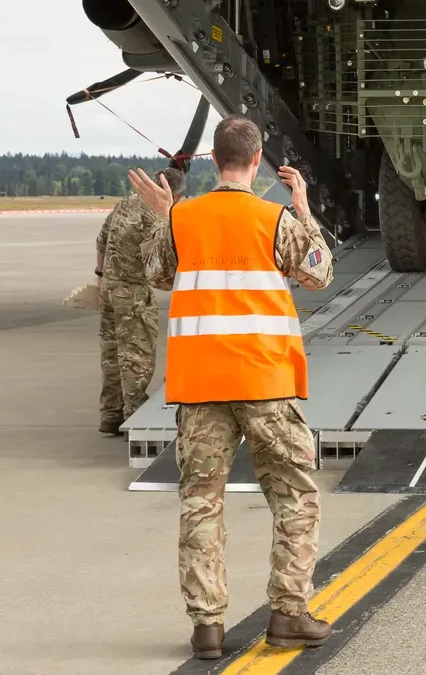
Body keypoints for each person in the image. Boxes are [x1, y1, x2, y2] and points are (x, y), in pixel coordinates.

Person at [128, 116, 334, 660]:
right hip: (264, 381)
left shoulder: (183, 218)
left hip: (200, 385)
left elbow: (153, 272)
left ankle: (207, 629)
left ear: (213, 160)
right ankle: (288, 615)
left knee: (201, 503)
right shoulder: (274, 220)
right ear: (258, 156)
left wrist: (161, 216)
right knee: (294, 497)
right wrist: (305, 208)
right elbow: (318, 273)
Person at [94, 166, 186, 435]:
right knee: (136, 359)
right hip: (133, 293)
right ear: (172, 194)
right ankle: (134, 418)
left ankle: (109, 416)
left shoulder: (125, 204)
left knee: (111, 355)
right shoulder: (158, 216)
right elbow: (163, 264)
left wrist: (101, 276)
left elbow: (101, 241)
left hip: (109, 288)